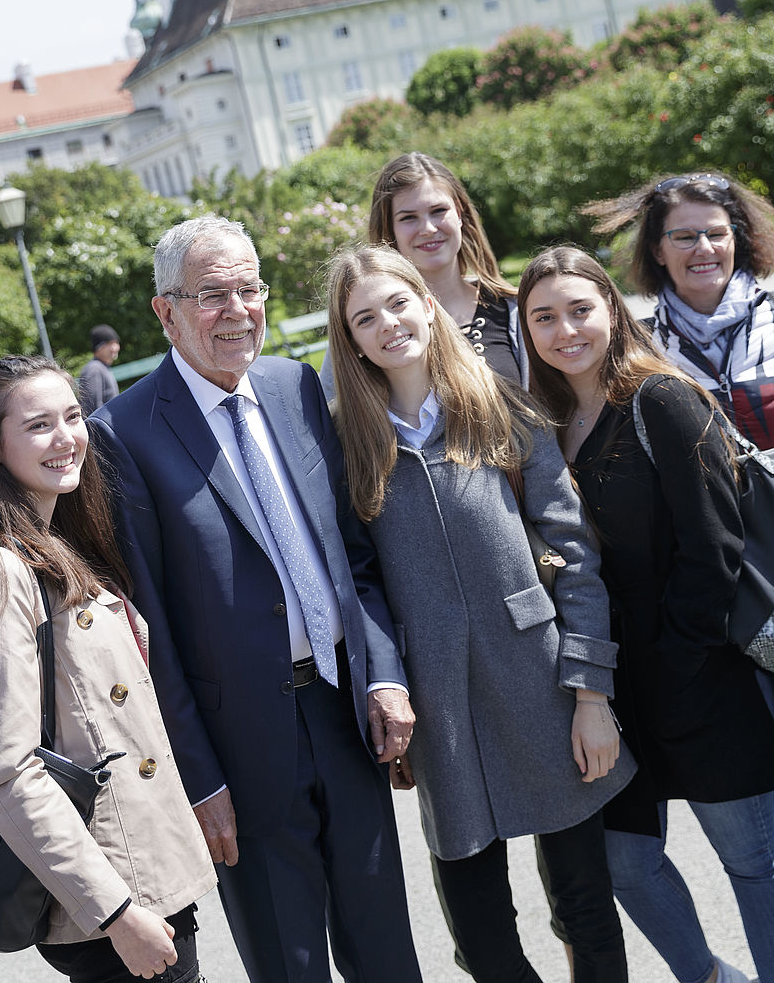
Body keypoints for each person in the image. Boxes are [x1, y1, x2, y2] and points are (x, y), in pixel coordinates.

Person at [87, 216, 422, 983]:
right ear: (165, 312)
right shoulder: (124, 433)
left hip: (346, 716)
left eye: (250, 288)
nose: (238, 310)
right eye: (212, 295)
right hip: (239, 753)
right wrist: (200, 780)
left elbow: (353, 558)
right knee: (289, 963)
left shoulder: (295, 385)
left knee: (389, 955)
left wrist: (384, 674)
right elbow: (152, 634)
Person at [325, 243, 636, 983]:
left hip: (544, 686)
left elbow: (577, 556)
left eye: (398, 303)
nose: (388, 324)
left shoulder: (502, 405)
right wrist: (386, 685)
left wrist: (592, 695)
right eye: (365, 317)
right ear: (351, 338)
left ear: (427, 305)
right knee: (481, 937)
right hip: (440, 712)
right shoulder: (345, 443)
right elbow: (355, 582)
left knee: (585, 909)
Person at [517, 245, 774, 983]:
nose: (565, 329)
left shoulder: (661, 398)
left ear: (611, 310)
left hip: (707, 684)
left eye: (579, 309)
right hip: (615, 693)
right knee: (626, 867)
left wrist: (676, 663)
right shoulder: (551, 422)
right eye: (544, 318)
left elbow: (714, 547)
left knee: (755, 866)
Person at [0, 355, 216, 983]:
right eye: (38, 425)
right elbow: (7, 773)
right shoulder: (1, 570)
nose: (66, 437)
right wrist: (114, 913)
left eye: (73, 416)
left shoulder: (61, 540)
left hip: (144, 873)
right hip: (111, 896)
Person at [583, 171, 774, 448]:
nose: (705, 248)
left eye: (717, 233)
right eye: (685, 237)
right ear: (657, 251)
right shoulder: (638, 349)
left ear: (736, 239)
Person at [320, 151, 526, 400]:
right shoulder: (365, 329)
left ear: (460, 214)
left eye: (438, 210)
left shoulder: (514, 311)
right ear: (389, 229)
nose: (428, 228)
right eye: (408, 218)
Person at [78, 325, 121, 416]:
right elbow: (91, 407)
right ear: (99, 347)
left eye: (116, 343)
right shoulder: (94, 369)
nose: (115, 347)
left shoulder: (103, 367)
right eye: (110, 343)